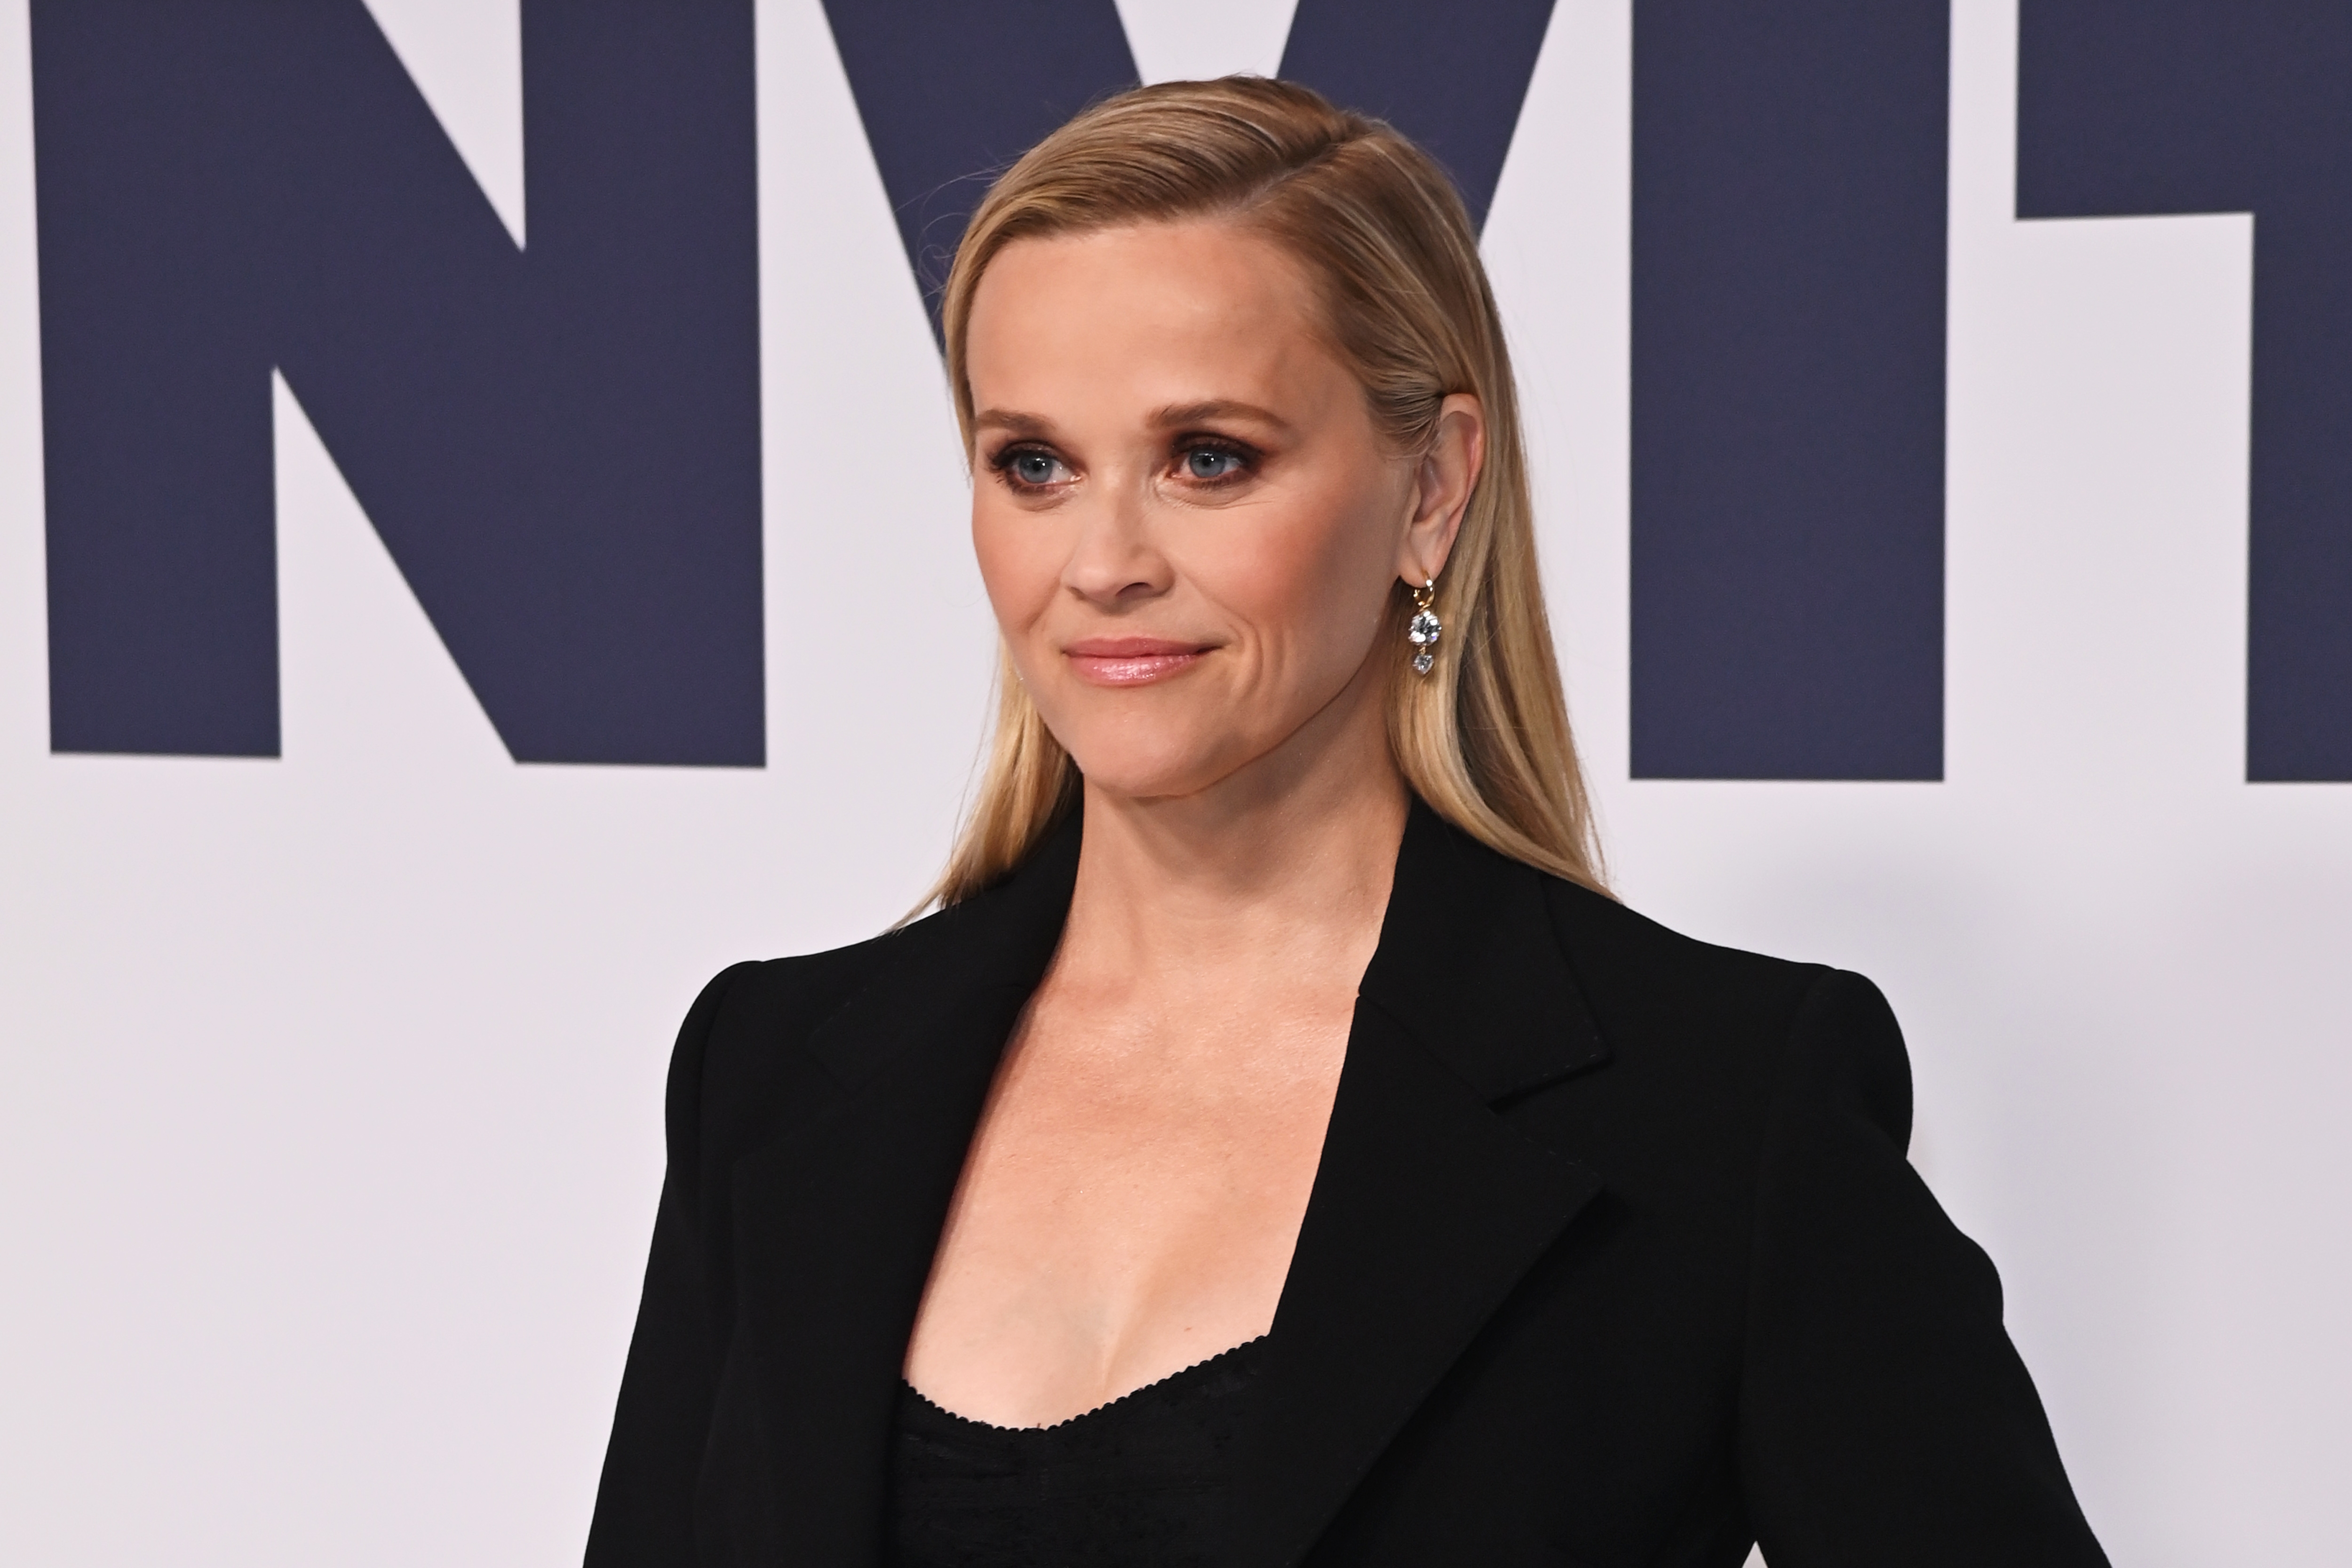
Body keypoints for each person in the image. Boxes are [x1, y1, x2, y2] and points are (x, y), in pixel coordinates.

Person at [584, 77, 2109, 1568]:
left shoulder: (1719, 1108)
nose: (1103, 562)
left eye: (1208, 458)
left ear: (1432, 489)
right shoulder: (770, 1076)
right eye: (1033, 465)